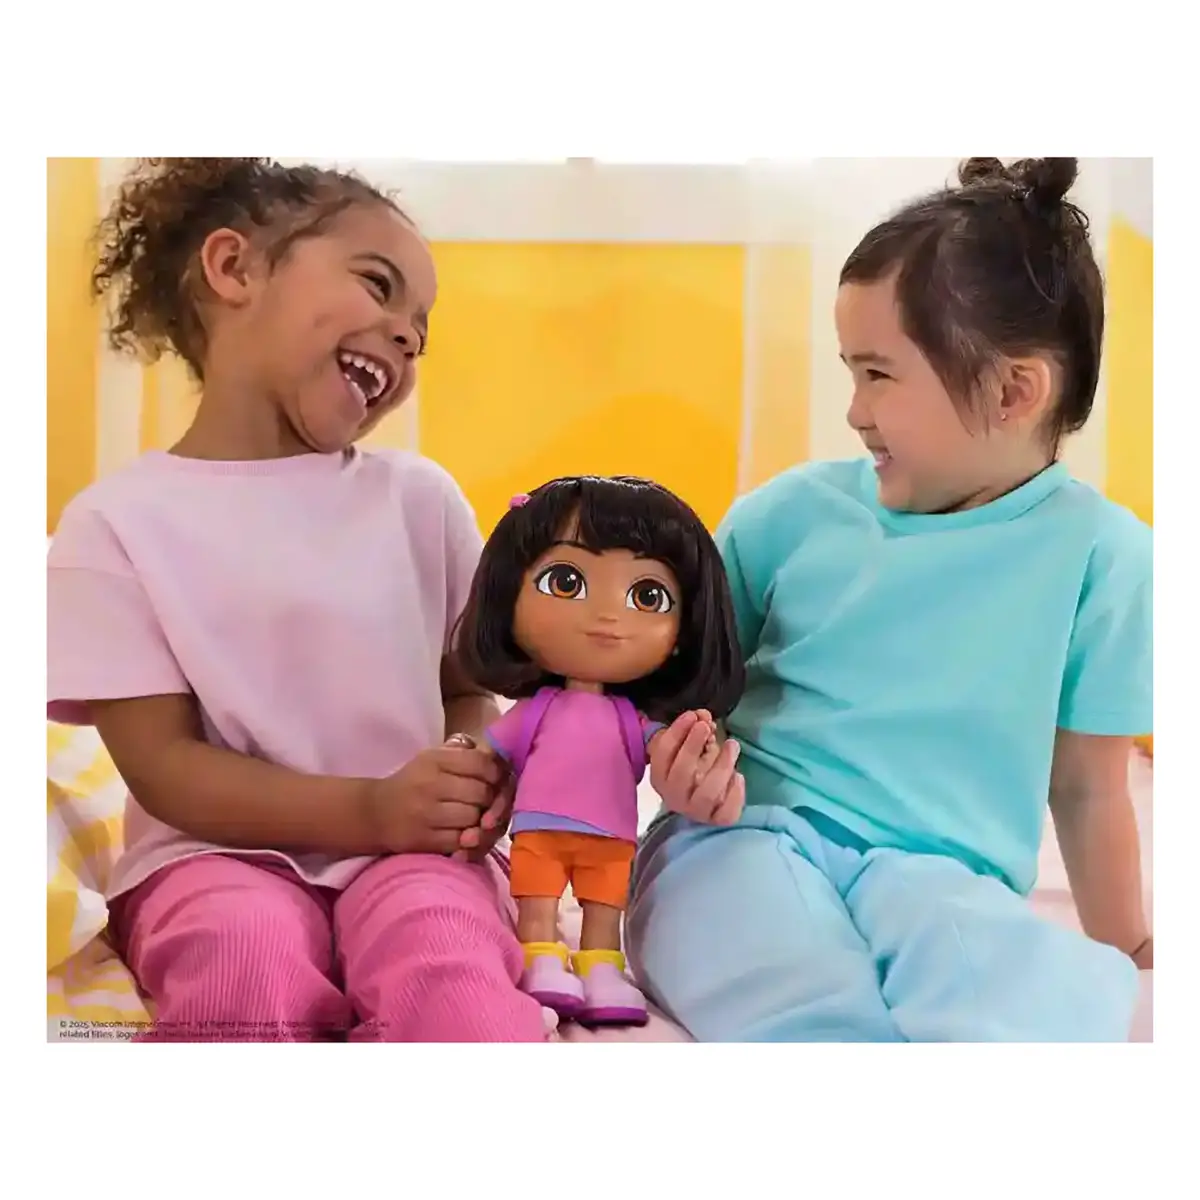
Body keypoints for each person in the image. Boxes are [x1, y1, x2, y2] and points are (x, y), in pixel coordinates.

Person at [627, 157, 1152, 1042]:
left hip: (941, 875)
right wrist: (676, 761)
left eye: (877, 374)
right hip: (744, 834)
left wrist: (1132, 949)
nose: (854, 411)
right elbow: (676, 693)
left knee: (1028, 983)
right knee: (759, 948)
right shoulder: (785, 517)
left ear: (1014, 391)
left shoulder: (1106, 558)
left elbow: (1089, 789)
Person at [47, 156, 545, 1041]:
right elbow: (164, 767)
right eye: (379, 286)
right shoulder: (115, 524)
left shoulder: (420, 501)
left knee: (452, 978)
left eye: (420, 332)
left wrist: (464, 767)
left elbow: (466, 686)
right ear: (233, 268)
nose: (406, 337)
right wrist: (369, 808)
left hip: (416, 856)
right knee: (241, 968)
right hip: (210, 859)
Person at [454, 477, 745, 1026]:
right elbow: (486, 751)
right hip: (538, 829)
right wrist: (463, 770)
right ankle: (540, 958)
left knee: (604, 909)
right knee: (538, 902)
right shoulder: (536, 710)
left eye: (647, 596)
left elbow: (668, 760)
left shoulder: (636, 723)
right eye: (566, 582)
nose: (608, 616)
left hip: (612, 835)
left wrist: (698, 773)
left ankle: (601, 970)